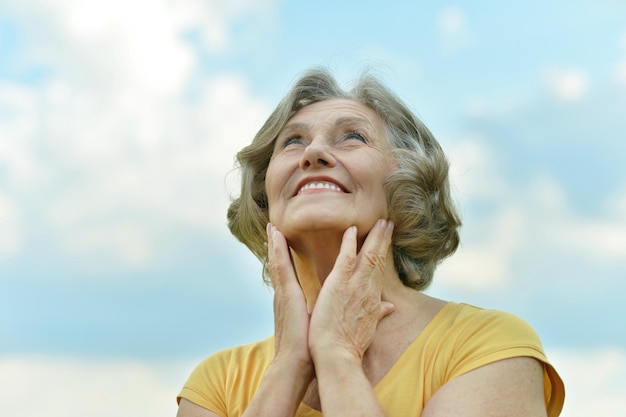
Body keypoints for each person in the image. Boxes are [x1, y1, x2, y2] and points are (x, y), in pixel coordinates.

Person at [176, 68, 565, 417]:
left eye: (352, 137)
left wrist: (338, 355)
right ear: (265, 196)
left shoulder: (489, 344)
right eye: (293, 141)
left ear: (406, 185)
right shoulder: (218, 383)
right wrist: (288, 367)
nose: (313, 153)